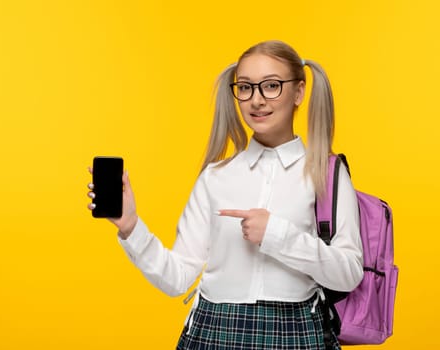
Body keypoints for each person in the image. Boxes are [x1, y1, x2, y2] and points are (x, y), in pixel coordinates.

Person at [87, 40, 363, 349]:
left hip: (295, 331)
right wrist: (131, 228)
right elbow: (177, 279)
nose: (256, 100)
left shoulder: (327, 173)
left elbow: (349, 274)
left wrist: (277, 234)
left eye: (271, 86)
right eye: (245, 88)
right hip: (214, 330)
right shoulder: (216, 177)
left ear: (299, 92)